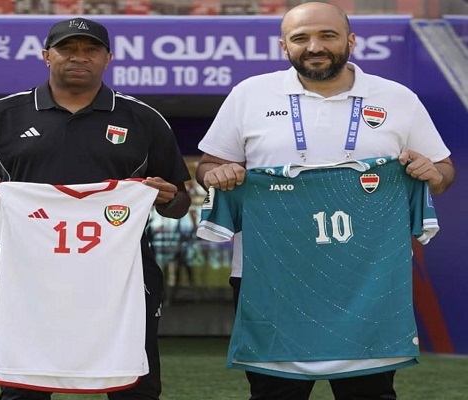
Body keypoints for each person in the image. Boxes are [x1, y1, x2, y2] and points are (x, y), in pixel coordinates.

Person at [195, 2, 455, 400]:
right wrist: (216, 173)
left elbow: (443, 170)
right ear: (284, 46)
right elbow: (209, 164)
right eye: (300, 38)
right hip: (269, 276)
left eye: (327, 36)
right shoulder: (249, 95)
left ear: (351, 41)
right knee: (274, 395)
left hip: (367, 279)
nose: (314, 46)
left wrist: (433, 174)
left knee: (369, 394)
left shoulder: (397, 97)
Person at [0, 17, 191, 400]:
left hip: (124, 279)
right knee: (23, 390)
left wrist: (167, 198)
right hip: (29, 278)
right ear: (46, 55)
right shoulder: (2, 114)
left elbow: (179, 202)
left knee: (136, 388)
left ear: (108, 58)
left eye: (91, 49)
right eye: (67, 48)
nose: (79, 57)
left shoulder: (143, 119)